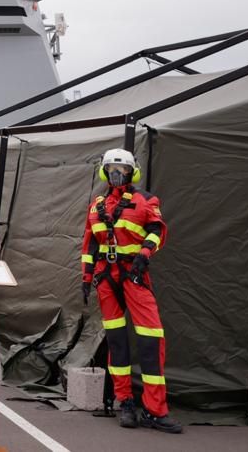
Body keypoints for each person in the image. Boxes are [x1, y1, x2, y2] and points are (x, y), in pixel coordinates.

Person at [80, 147, 182, 434]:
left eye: (122, 169)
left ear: (132, 171)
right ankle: (124, 402)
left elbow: (158, 230)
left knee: (151, 339)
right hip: (105, 280)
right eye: (112, 168)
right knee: (117, 342)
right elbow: (90, 245)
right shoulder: (96, 206)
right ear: (104, 170)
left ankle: (155, 410)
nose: (116, 174)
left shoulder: (146, 200)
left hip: (134, 275)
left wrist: (144, 254)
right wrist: (86, 278)